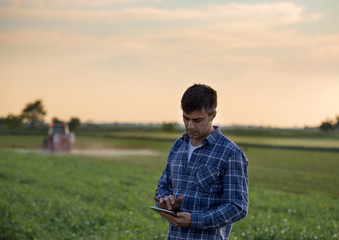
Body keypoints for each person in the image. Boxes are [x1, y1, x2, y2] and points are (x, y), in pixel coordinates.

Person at [153, 84, 248, 240]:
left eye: (197, 120)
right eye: (186, 118)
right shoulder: (178, 146)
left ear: (212, 115)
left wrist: (194, 220)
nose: (190, 126)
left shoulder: (231, 153)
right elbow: (164, 185)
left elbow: (237, 207)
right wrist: (165, 200)